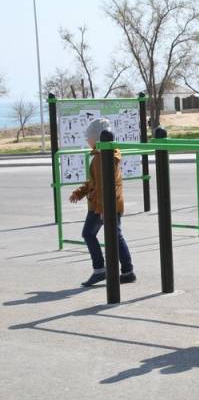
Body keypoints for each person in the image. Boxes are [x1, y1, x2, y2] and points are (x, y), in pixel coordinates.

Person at [69, 118, 136, 287]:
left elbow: (102, 186)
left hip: (102, 205)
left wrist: (101, 209)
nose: (87, 139)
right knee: (116, 235)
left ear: (97, 137)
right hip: (111, 203)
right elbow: (96, 182)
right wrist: (80, 192)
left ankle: (100, 269)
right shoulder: (107, 154)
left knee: (88, 234)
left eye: (89, 136)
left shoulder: (101, 158)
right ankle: (127, 271)